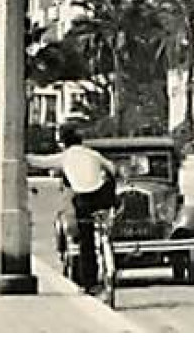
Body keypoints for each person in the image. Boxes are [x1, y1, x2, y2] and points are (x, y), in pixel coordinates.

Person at [27, 124, 118, 291]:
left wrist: (22, 155)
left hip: (83, 198)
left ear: (63, 143)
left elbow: (41, 162)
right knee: (102, 226)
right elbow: (112, 168)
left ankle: (89, 282)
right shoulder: (92, 154)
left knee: (86, 240)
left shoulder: (65, 157)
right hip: (102, 195)